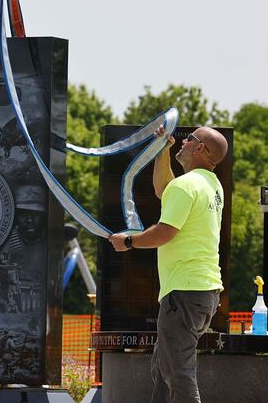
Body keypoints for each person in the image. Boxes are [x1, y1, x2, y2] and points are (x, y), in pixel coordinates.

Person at [109, 126, 228, 403]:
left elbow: (165, 232)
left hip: (185, 292)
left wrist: (129, 241)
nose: (183, 141)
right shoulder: (210, 185)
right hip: (204, 292)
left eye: (190, 139)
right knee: (164, 368)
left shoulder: (187, 186)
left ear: (201, 149)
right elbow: (165, 189)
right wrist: (163, 150)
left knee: (177, 372)